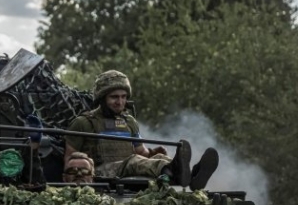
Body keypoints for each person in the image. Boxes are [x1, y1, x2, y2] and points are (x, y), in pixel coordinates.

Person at [63, 70, 219, 190]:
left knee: (159, 158)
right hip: (98, 173)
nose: (120, 102)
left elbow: (142, 153)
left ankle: (192, 176)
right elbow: (69, 160)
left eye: (123, 97)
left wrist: (153, 153)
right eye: (114, 97)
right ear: (101, 98)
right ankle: (174, 170)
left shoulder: (129, 121)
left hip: (125, 169)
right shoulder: (83, 123)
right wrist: (77, 180)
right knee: (133, 162)